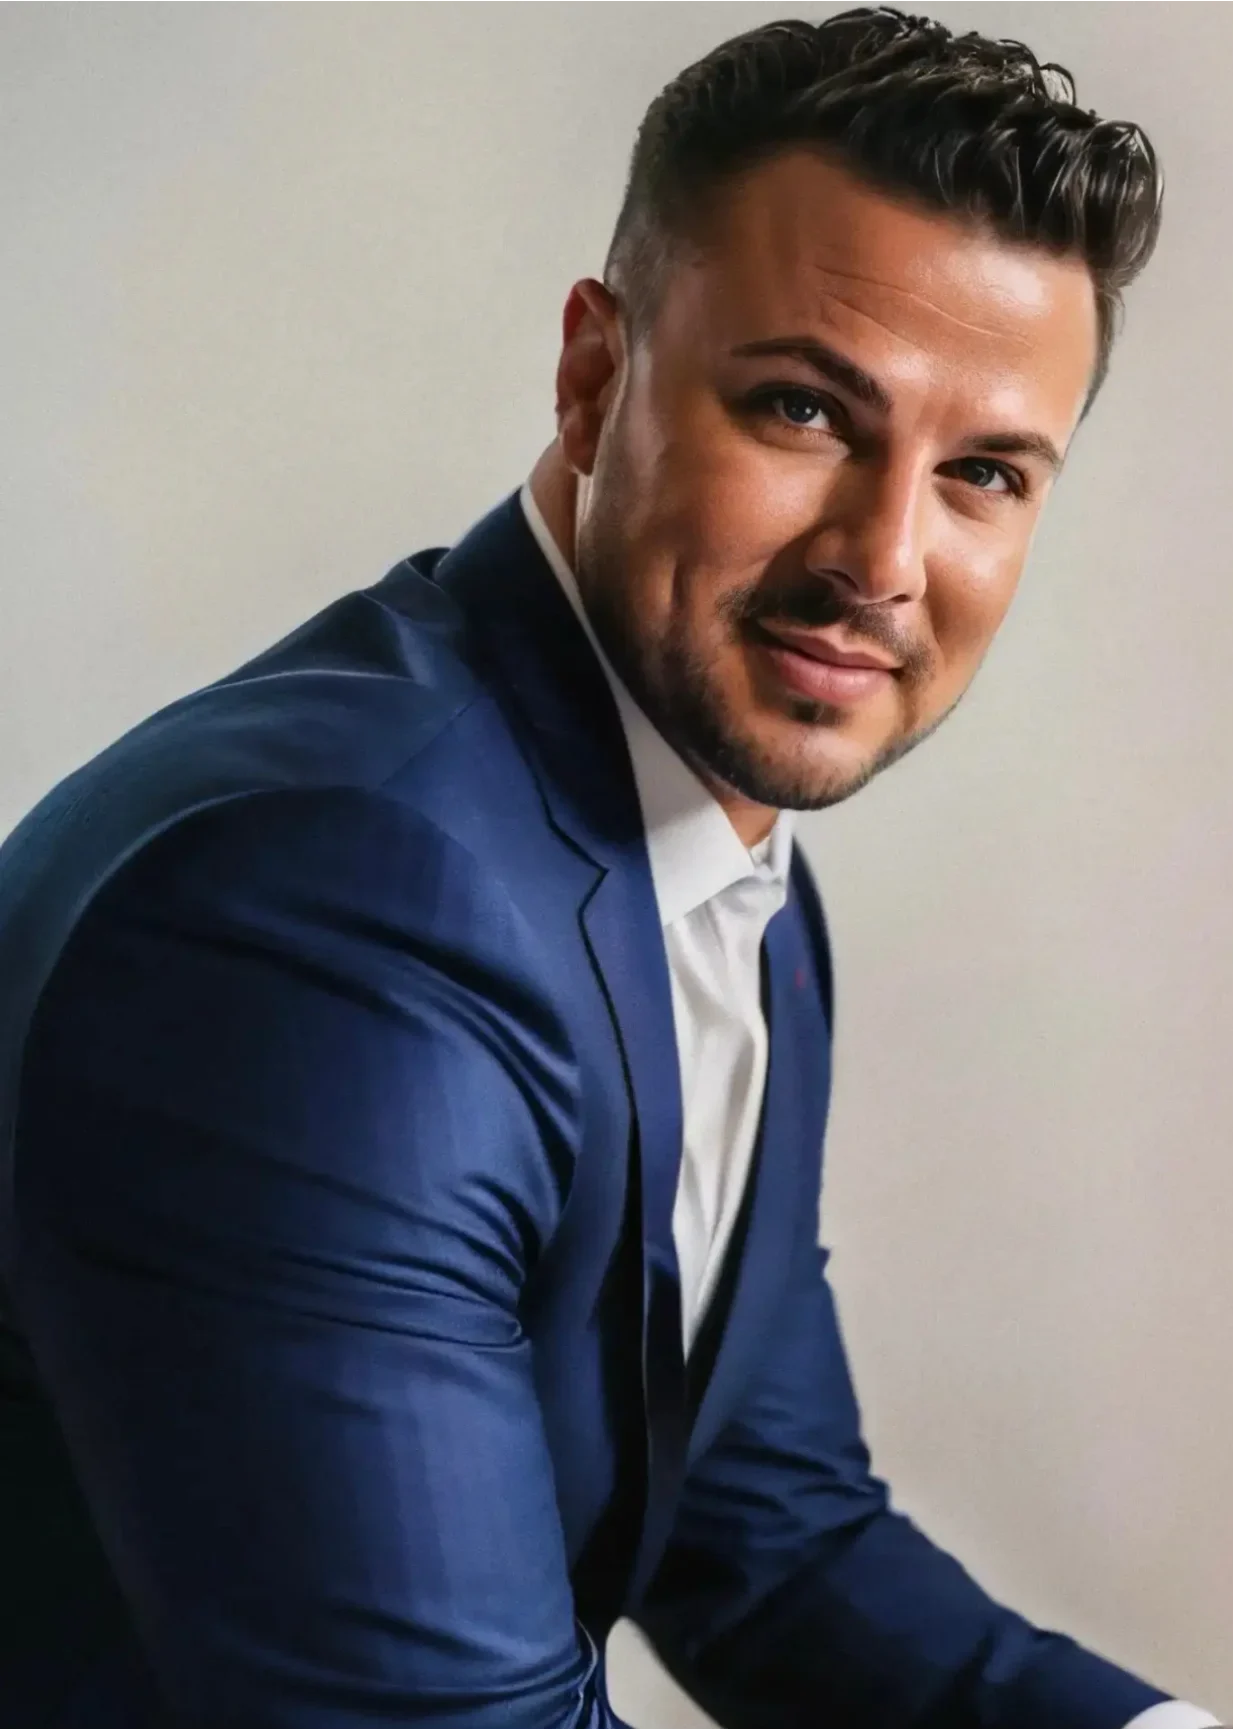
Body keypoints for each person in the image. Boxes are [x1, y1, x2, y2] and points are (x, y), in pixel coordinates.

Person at [0, 9, 1218, 1729]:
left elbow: (765, 1532)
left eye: (984, 475)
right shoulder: (329, 915)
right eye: (805, 407)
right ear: (594, 375)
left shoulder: (722, 871)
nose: (886, 556)